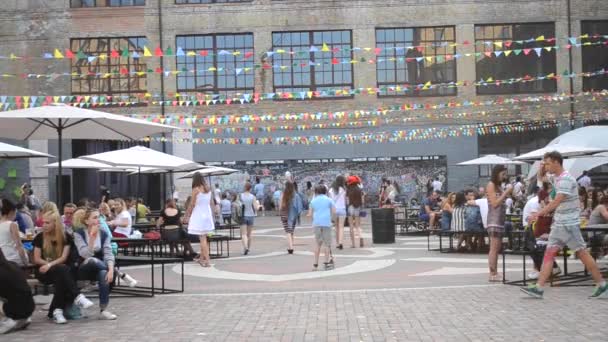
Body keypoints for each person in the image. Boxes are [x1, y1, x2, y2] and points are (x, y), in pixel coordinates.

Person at [521, 151, 608, 298]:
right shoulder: (557, 178)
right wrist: (542, 166)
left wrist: (538, 214)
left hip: (568, 224)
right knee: (551, 254)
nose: (546, 166)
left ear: (556, 162)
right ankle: (539, 287)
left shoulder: (566, 179)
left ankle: (602, 285)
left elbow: (556, 201)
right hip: (561, 224)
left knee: (582, 254)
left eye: (548, 163)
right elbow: (541, 178)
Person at [33, 210, 94, 324]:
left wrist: (50, 264)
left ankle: (57, 312)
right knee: (63, 271)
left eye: (47, 223)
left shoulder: (65, 237)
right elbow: (36, 259)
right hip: (43, 271)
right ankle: (77, 297)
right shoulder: (39, 237)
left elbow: (63, 258)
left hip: (58, 269)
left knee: (62, 272)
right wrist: (47, 265)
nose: (44, 225)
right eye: (43, 222)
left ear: (55, 223)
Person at [73, 208, 119, 320]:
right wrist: (92, 238)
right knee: (92, 260)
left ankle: (103, 309)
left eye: (99, 217)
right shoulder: (79, 234)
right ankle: (121, 274)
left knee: (104, 273)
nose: (98, 220)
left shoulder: (103, 234)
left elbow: (109, 253)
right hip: (83, 267)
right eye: (94, 217)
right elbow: (85, 254)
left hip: (99, 268)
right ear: (87, 221)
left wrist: (111, 270)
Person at [486, 165, 513, 282]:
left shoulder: (498, 186)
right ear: (497, 173)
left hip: (499, 220)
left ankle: (495, 272)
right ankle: (493, 273)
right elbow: (494, 203)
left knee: (497, 247)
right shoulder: (491, 185)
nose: (504, 177)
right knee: (494, 248)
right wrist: (506, 192)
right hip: (494, 220)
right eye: (503, 174)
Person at [184, 172, 216, 267]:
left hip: (199, 214)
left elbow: (192, 204)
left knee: (202, 239)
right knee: (205, 238)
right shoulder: (208, 188)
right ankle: (202, 259)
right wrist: (213, 215)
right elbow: (211, 203)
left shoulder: (196, 189)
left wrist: (186, 215)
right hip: (207, 214)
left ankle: (207, 261)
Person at [0, 249, 34, 334]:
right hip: (30, 306)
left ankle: (8, 320)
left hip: (12, 309)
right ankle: (23, 318)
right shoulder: (13, 264)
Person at [308, 185, 336, 271]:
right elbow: (334, 211)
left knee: (318, 244)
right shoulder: (329, 200)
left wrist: (314, 220)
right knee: (327, 244)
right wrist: (332, 220)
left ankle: (315, 264)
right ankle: (326, 263)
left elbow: (310, 214)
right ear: (325, 191)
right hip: (326, 223)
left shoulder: (313, 201)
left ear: (316, 192)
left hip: (317, 223)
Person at [0, 199, 28, 267]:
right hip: (13, 259)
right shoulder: (12, 224)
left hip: (2, 260)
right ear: (11, 212)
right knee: (28, 250)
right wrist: (26, 263)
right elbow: (19, 246)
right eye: (15, 213)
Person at [279, 181, 303, 254]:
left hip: (285, 215)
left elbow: (280, 206)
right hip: (294, 216)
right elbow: (299, 207)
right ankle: (291, 245)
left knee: (288, 231)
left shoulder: (283, 194)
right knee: (291, 231)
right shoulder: (296, 195)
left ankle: (290, 248)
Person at [329, 175, 347, 250]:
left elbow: (330, 201)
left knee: (336, 227)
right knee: (341, 227)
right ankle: (341, 243)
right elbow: (345, 201)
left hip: (334, 210)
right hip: (342, 209)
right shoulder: (343, 190)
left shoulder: (330, 190)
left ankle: (337, 243)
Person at [346, 176, 365, 248]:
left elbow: (347, 201)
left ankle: (353, 244)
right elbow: (362, 201)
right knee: (358, 225)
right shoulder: (359, 189)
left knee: (351, 225)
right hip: (358, 207)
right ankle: (361, 237)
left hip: (350, 207)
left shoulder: (348, 190)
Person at [240, 182, 257, 255]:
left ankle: (245, 247)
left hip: (243, 215)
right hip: (251, 215)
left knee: (243, 234)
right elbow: (256, 207)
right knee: (249, 234)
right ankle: (248, 248)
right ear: (250, 188)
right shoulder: (252, 196)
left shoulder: (240, 196)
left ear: (244, 187)